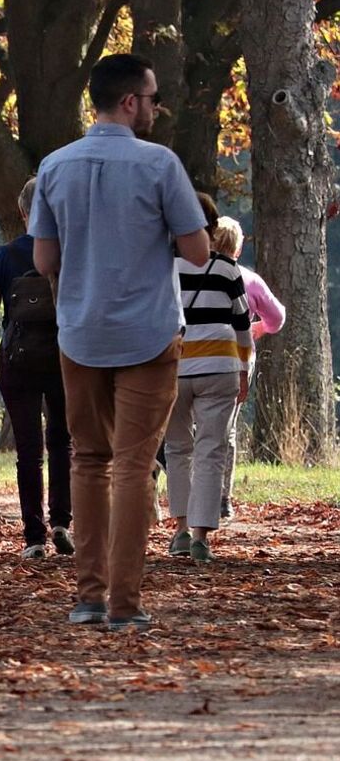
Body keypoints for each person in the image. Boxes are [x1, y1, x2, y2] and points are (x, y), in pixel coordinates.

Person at [30, 52, 211, 632]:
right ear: (130, 101)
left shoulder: (55, 167)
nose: (157, 107)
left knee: (87, 460)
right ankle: (125, 605)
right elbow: (199, 252)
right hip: (149, 332)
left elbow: (44, 259)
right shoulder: (161, 166)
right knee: (135, 465)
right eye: (153, 98)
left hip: (79, 332)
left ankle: (87, 596)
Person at [0, 177, 74, 560]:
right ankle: (62, 520)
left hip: (18, 359)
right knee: (62, 440)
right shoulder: (68, 253)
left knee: (28, 449)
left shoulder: (4, 256)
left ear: (23, 211)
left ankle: (34, 537)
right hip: (63, 356)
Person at [164, 194, 252, 563]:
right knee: (211, 451)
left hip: (173, 369)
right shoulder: (228, 270)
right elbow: (243, 326)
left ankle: (181, 530)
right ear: (213, 229)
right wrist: (244, 369)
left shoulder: (162, 267)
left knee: (176, 449)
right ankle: (202, 536)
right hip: (220, 367)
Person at [210, 216, 286, 518]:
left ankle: (191, 493)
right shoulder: (250, 280)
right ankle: (223, 498)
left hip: (194, 356)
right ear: (238, 250)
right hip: (238, 358)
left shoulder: (193, 274)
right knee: (227, 428)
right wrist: (259, 329)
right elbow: (277, 318)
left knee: (191, 426)